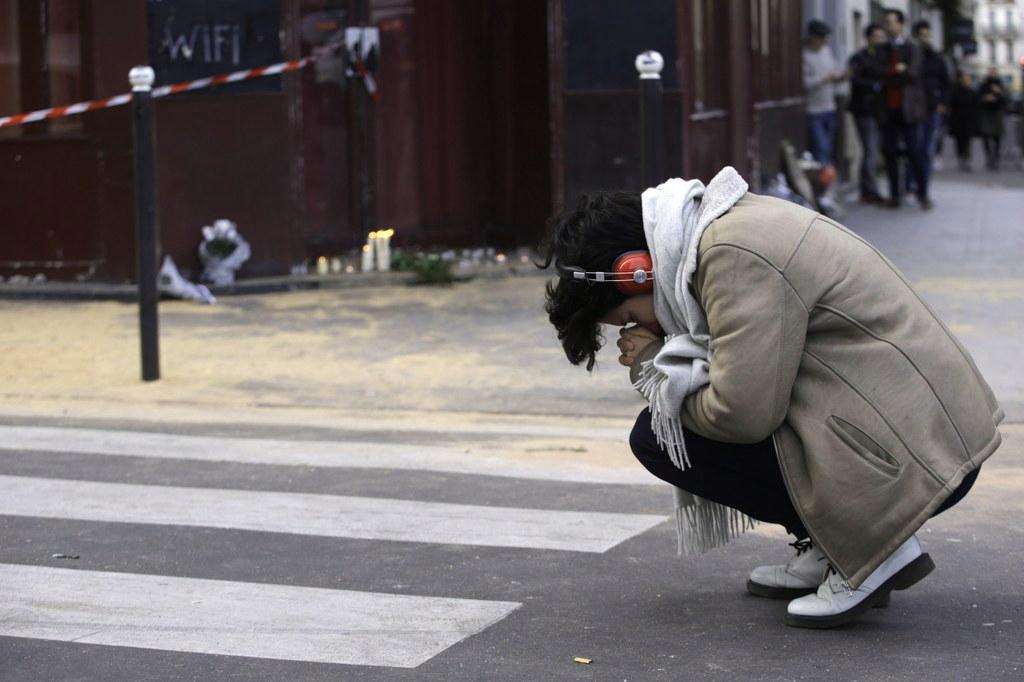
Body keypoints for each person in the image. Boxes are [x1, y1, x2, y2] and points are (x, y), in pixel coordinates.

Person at [540, 168, 1002, 629]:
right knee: (669, 428)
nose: (639, 329)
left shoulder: (732, 257)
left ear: (635, 270)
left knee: (658, 438)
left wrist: (652, 366)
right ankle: (833, 546)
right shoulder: (719, 231)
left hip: (922, 453)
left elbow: (741, 415)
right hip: (915, 430)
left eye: (628, 316)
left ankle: (874, 544)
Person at [864, 8, 931, 209]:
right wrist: (894, 70)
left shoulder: (913, 48)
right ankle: (895, 195)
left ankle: (922, 193)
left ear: (901, 24)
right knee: (890, 153)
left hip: (909, 109)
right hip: (887, 109)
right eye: (886, 22)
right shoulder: (882, 49)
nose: (888, 26)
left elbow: (912, 74)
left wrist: (889, 76)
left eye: (892, 22)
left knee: (915, 151)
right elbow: (874, 72)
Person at [847, 23, 888, 204]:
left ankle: (869, 188)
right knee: (870, 149)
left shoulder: (884, 57)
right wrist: (874, 86)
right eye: (877, 36)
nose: (880, 40)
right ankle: (869, 190)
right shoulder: (859, 58)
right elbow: (855, 79)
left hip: (880, 110)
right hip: (864, 109)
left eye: (882, 36)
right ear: (869, 38)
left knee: (874, 150)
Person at [802, 20, 847, 168]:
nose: (823, 42)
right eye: (821, 38)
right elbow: (804, 83)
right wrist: (824, 79)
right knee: (821, 147)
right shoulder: (804, 56)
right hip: (813, 109)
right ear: (812, 37)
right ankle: (822, 181)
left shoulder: (826, 51)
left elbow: (833, 70)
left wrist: (840, 76)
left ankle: (826, 178)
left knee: (828, 148)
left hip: (830, 107)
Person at [911, 20, 951, 186]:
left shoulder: (937, 58)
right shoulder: (912, 56)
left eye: (927, 35)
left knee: (927, 148)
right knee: (915, 148)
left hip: (933, 107)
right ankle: (914, 182)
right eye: (922, 36)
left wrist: (942, 103)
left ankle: (923, 185)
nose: (925, 39)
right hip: (915, 108)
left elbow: (946, 83)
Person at [948, 71, 979, 171]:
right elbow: (953, 103)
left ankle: (966, 160)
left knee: (968, 142)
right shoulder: (956, 91)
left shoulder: (972, 92)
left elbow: (976, 106)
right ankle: (961, 159)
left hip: (969, 121)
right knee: (959, 142)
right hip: (958, 121)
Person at [977, 68, 1007, 171]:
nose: (993, 74)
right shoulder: (984, 85)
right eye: (991, 72)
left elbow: (1006, 99)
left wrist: (999, 93)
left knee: (997, 137)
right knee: (986, 136)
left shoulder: (1000, 84)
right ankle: (988, 158)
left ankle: (996, 159)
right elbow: (978, 98)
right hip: (986, 113)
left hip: (997, 113)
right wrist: (985, 98)